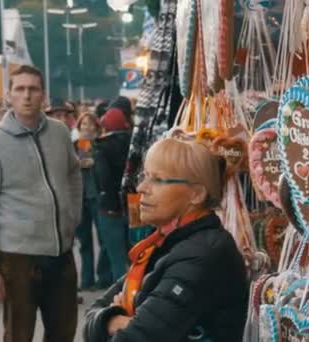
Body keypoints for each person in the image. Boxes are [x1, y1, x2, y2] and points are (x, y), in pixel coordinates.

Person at [84, 138, 249, 341]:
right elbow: (91, 316)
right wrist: (116, 320)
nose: (142, 187)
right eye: (144, 176)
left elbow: (135, 337)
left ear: (196, 194)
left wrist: (120, 319)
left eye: (158, 180)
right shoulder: (166, 244)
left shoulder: (203, 254)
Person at [0, 65, 83, 342]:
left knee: (63, 333)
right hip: (17, 257)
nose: (27, 96)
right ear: (9, 96)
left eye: (33, 89)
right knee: (19, 335)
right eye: (19, 89)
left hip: (60, 253)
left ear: (43, 95)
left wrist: (72, 216)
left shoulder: (58, 133)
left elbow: (74, 174)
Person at [93, 107, 132, 282]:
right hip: (134, 204)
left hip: (110, 207)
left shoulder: (101, 146)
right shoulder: (133, 141)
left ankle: (121, 297)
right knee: (135, 254)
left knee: (117, 258)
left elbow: (104, 178)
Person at [74, 113, 112, 290]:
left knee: (104, 238)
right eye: (83, 124)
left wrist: (94, 162)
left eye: (90, 125)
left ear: (97, 128)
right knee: (84, 241)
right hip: (80, 198)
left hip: (97, 197)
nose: (86, 128)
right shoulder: (77, 146)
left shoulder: (101, 145)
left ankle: (103, 277)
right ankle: (86, 279)